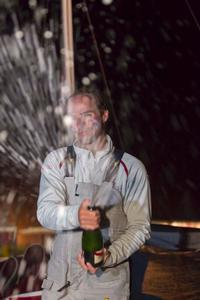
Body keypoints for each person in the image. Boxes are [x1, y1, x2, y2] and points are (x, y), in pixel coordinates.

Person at [37, 90, 151, 300]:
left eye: (87, 115)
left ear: (104, 115)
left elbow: (140, 227)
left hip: (105, 287)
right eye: (73, 117)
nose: (79, 124)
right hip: (59, 285)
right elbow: (45, 212)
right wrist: (76, 215)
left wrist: (109, 256)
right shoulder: (56, 160)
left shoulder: (131, 168)